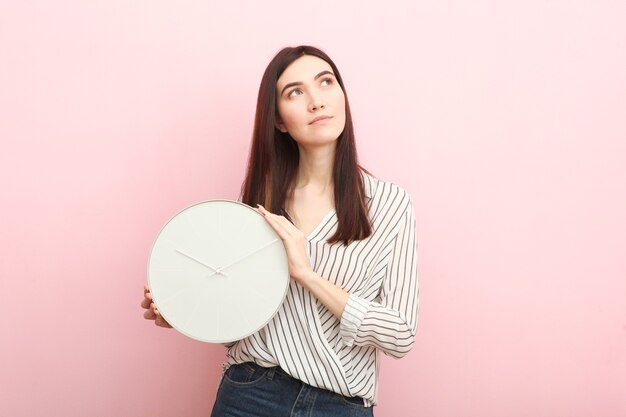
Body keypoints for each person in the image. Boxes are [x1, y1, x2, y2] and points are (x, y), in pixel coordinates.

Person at [141, 45, 419, 416]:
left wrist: (306, 274)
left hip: (340, 405)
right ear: (279, 120)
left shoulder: (389, 204)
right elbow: (246, 320)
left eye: (326, 82)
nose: (316, 101)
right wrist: (185, 310)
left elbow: (399, 335)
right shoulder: (260, 202)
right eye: (295, 92)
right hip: (249, 393)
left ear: (342, 95)